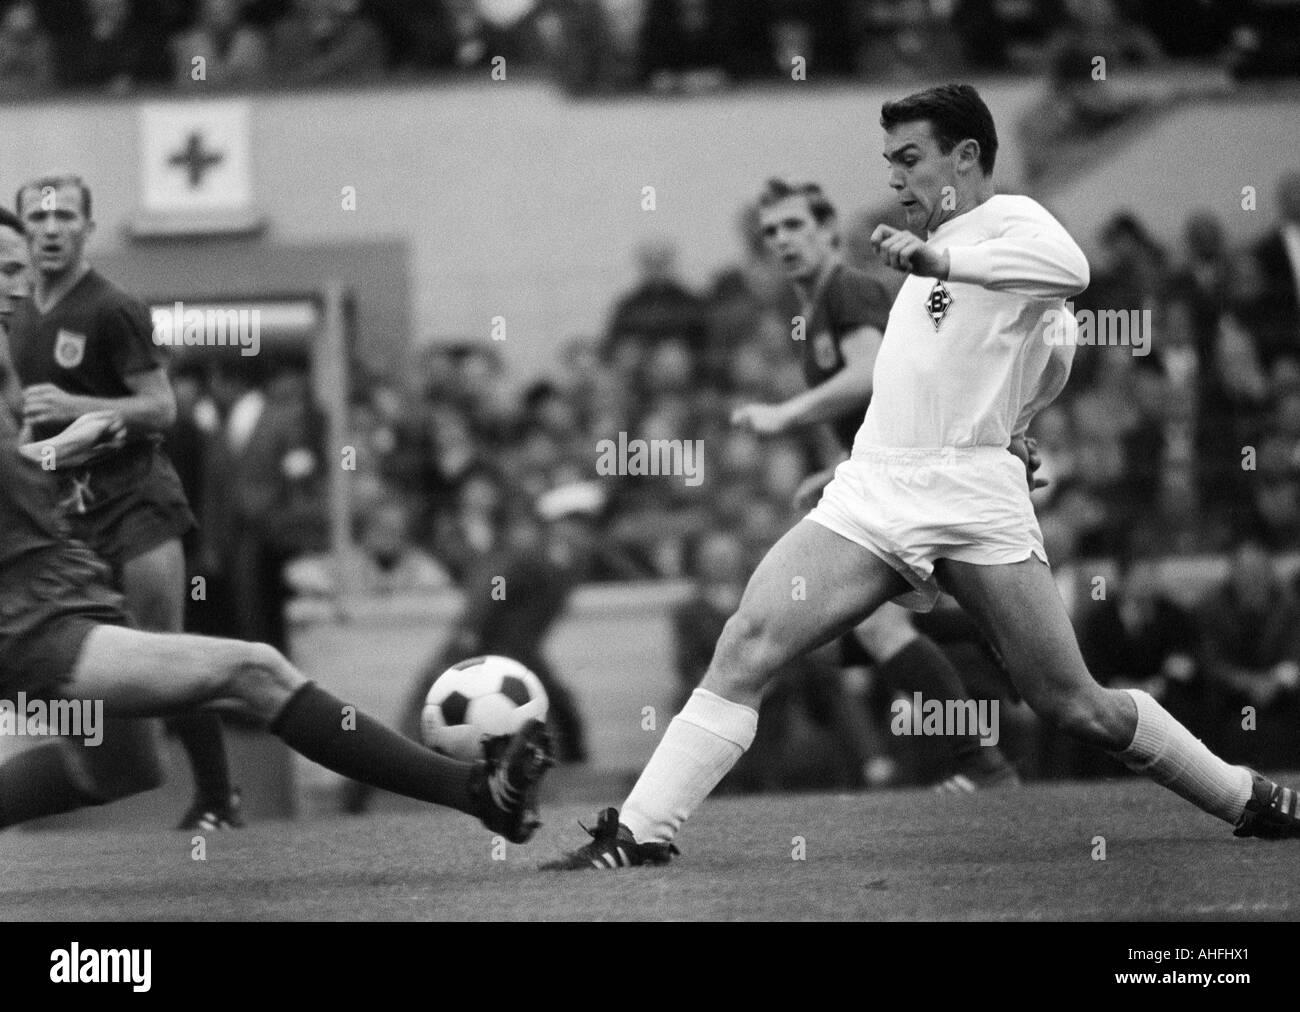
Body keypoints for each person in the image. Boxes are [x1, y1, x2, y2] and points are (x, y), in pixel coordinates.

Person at [546, 84, 1300, 870]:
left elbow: (1069, 272)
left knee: (1074, 704)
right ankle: (640, 833)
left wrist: (985, 378)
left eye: (910, 159)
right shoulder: (923, 260)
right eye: (891, 162)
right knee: (747, 641)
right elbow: (951, 384)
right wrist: (979, 429)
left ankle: (1247, 798)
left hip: (974, 500)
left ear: (965, 156)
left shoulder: (1007, 224)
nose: (896, 178)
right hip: (876, 490)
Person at [0, 205, 553, 839]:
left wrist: (57, 455)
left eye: (19, 268)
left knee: (122, 770)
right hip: (24, 616)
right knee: (255, 670)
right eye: (4, 268)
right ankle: (480, 793)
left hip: (61, 588)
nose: (20, 283)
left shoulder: (7, 357)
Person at [731, 177, 1019, 792]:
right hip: (903, 473)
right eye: (771, 232)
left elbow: (868, 375)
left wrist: (785, 414)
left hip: (923, 477)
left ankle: (980, 763)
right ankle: (995, 652)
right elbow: (887, 399)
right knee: (847, 638)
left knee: (873, 627)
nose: (782, 240)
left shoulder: (851, 289)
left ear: (830, 230)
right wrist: (834, 470)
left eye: (795, 226)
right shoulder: (816, 309)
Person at [9, 175, 237, 830]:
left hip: (135, 500)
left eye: (64, 215)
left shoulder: (113, 308)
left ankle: (220, 798)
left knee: (164, 645)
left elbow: (161, 407)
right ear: (23, 230)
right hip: (63, 509)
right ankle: (80, 778)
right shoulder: (17, 312)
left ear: (88, 225)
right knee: (68, 645)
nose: (51, 227)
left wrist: (78, 407)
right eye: (38, 216)